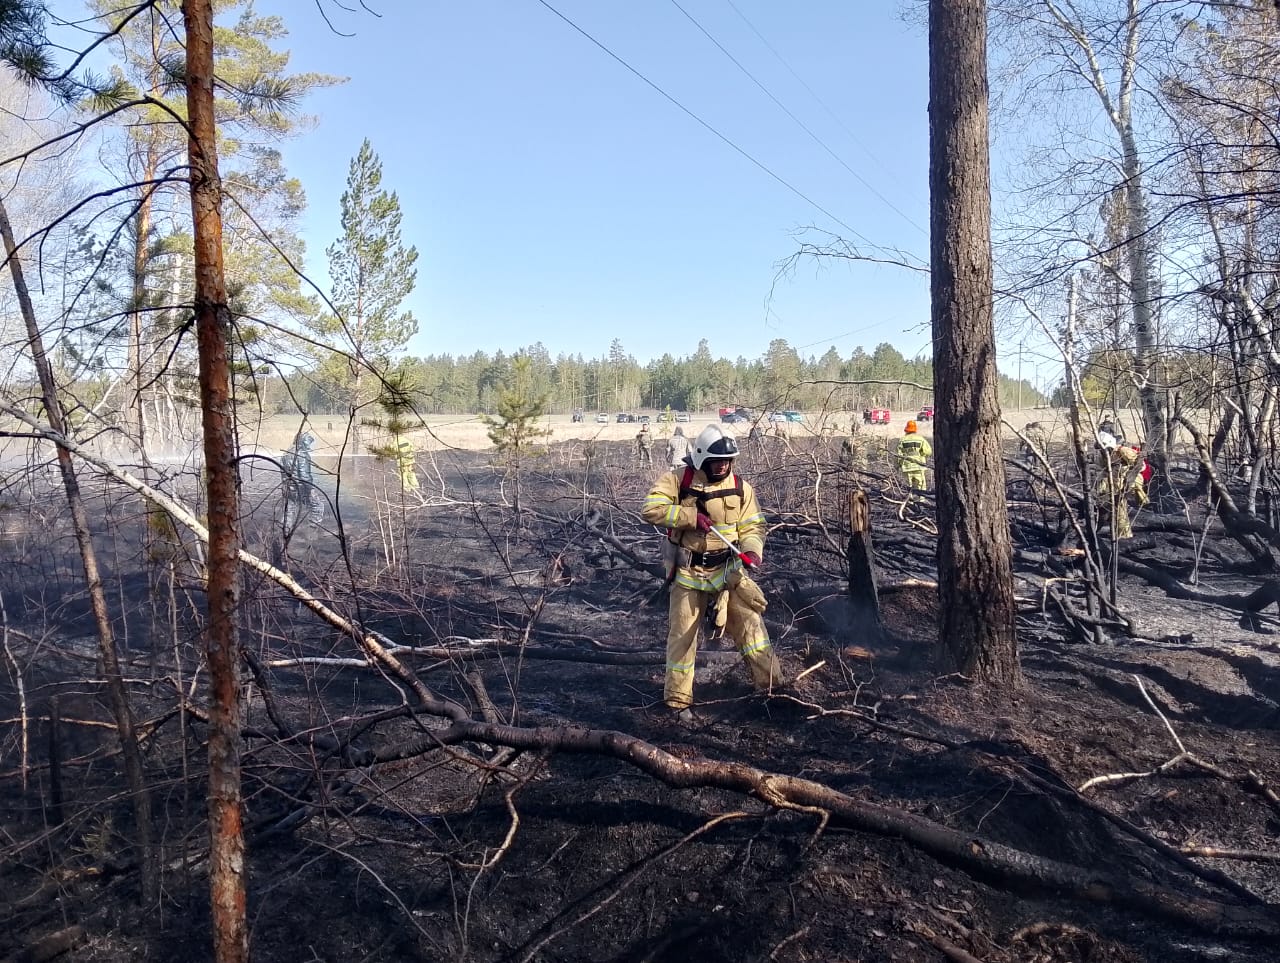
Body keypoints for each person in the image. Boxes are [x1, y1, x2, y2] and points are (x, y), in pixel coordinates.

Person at [641, 424, 784, 719]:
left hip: (729, 574)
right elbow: (651, 509)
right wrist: (689, 516)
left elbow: (754, 525)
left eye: (728, 460)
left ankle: (774, 692)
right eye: (717, 460)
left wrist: (753, 550)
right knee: (682, 639)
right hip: (689, 576)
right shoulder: (678, 480)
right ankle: (678, 704)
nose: (723, 465)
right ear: (702, 458)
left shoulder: (741, 488)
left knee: (753, 632)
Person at [1096, 431, 1149, 539]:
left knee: (1120, 510)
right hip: (1113, 482)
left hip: (1130, 481)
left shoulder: (1123, 451)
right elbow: (1102, 470)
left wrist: (1125, 472)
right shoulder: (1102, 456)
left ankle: (1124, 536)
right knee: (1109, 505)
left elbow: (1141, 466)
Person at [281, 431, 324, 528]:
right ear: (304, 442)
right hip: (300, 489)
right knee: (317, 506)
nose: (310, 446)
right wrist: (310, 489)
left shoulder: (286, 453)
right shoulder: (302, 455)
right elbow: (304, 476)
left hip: (287, 488)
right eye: (309, 443)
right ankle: (313, 529)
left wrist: (285, 487)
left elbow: (283, 473)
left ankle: (285, 531)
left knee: (289, 511)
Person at [895, 420, 933, 492]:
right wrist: (921, 454)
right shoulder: (921, 439)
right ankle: (921, 500)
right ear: (915, 430)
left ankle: (910, 501)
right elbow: (928, 451)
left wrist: (897, 466)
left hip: (906, 467)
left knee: (908, 487)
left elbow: (898, 455)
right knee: (920, 486)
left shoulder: (902, 440)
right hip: (919, 466)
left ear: (906, 430)